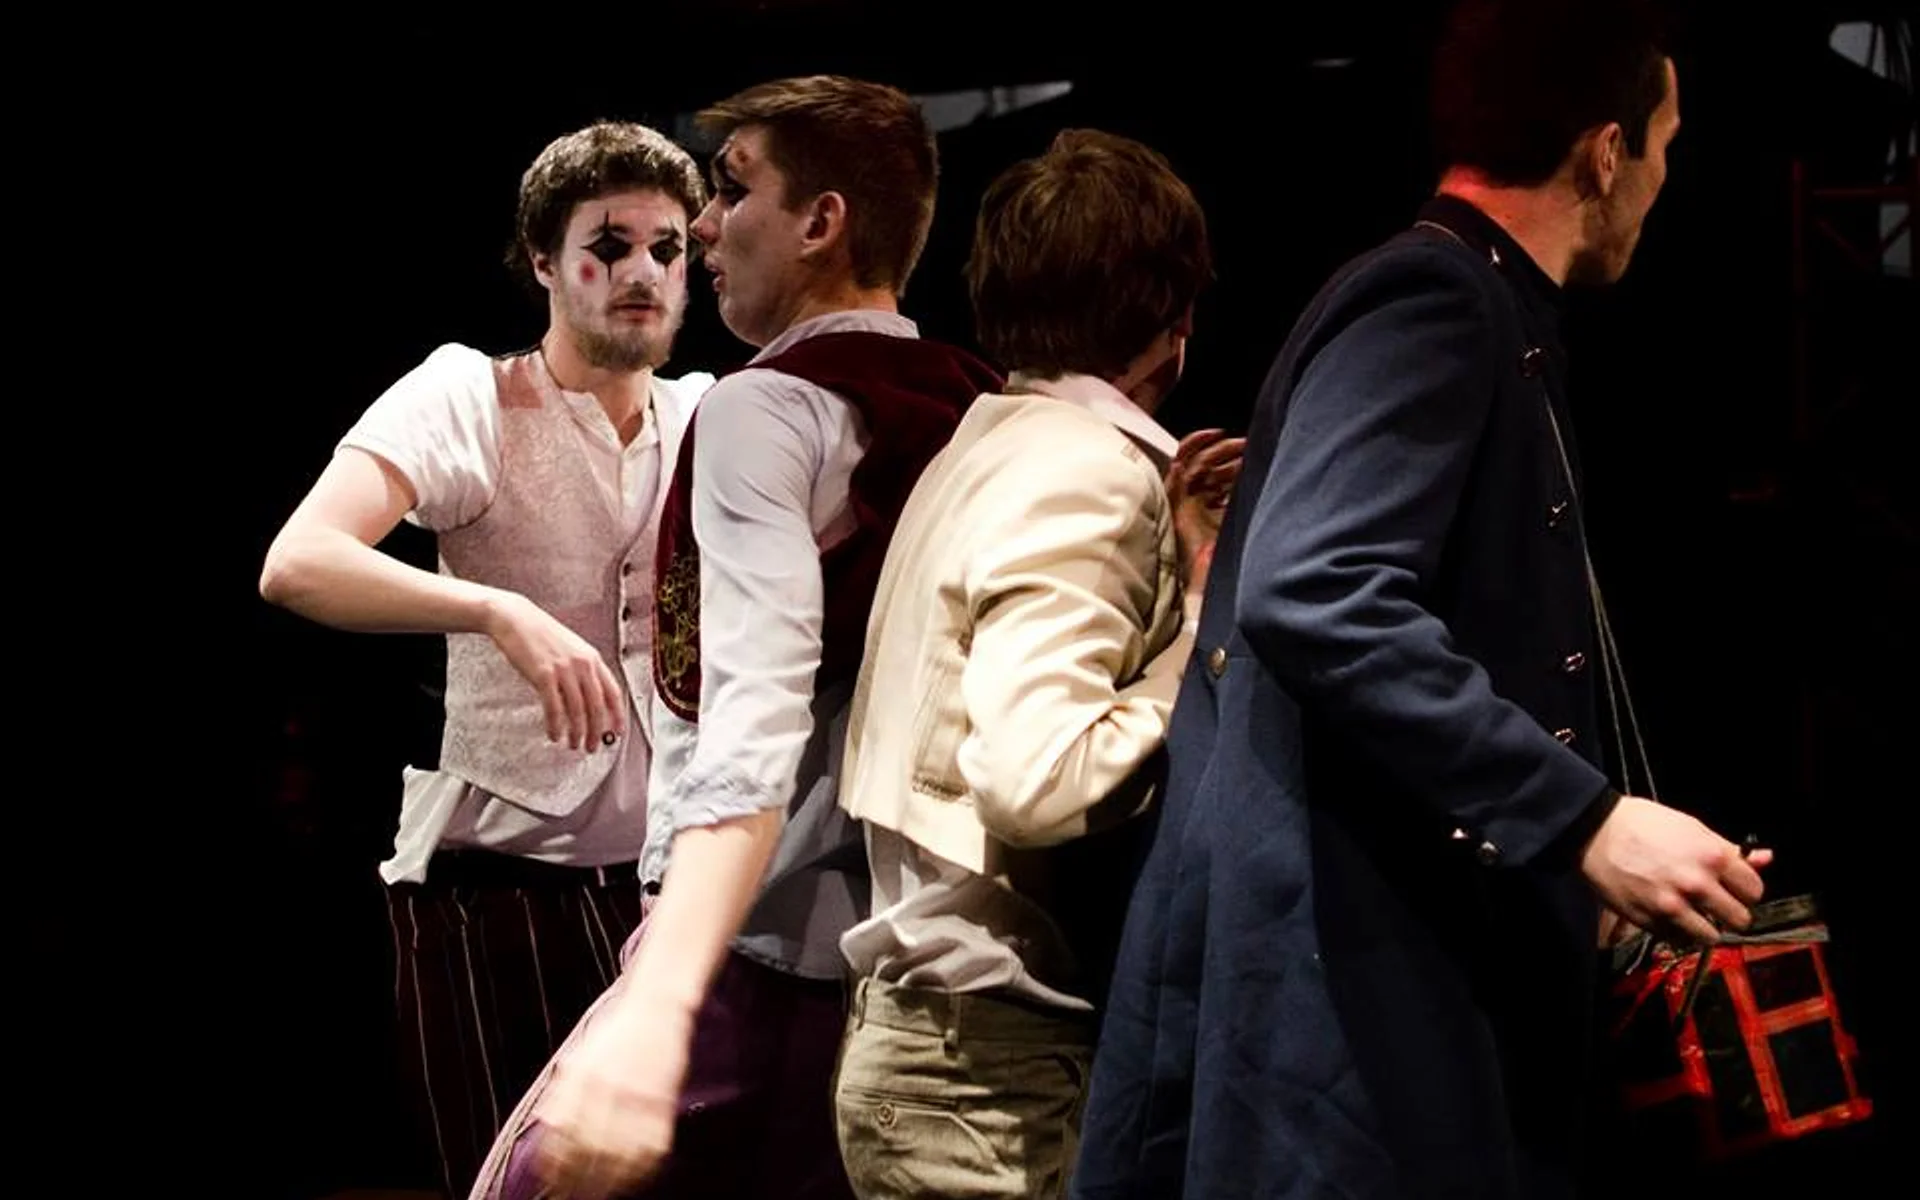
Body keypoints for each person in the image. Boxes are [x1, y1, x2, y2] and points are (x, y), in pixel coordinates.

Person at [1072, 3, 1773, 1197]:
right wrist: (1584, 823)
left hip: (1390, 982)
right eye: (1665, 144)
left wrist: (1564, 867)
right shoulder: (1434, 300)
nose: (1663, 179)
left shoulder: (1477, 302)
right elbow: (1317, 589)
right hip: (1347, 1015)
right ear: (1608, 152)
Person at [471, 76, 1002, 1200]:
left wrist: (664, 999)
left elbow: (752, 711)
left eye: (734, 190)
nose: (705, 227)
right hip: (911, 963)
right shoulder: (979, 402)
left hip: (756, 949)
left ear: (821, 223)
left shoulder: (767, 406)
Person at [257, 121, 710, 1197]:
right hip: (495, 899)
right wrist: (496, 609)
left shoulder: (708, 414)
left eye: (667, 249)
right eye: (609, 246)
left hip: (661, 894)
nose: (642, 274)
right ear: (544, 261)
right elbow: (298, 561)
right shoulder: (473, 396)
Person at [828, 129, 1240, 1200]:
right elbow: (1039, 778)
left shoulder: (989, 444)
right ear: (1173, 318)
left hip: (944, 1056)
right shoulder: (1086, 470)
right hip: (983, 1076)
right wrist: (1201, 632)